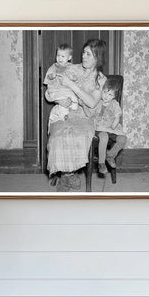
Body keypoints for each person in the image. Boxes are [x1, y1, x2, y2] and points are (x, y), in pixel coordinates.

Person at [47, 39, 107, 191]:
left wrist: (71, 85)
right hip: (64, 112)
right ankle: (68, 176)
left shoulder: (101, 79)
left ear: (97, 58)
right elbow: (49, 91)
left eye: (89, 54)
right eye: (84, 53)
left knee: (78, 136)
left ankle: (69, 175)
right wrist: (59, 100)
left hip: (85, 117)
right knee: (58, 136)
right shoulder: (70, 68)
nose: (84, 57)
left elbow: (92, 103)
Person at [86, 78, 127, 174]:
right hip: (99, 127)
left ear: (114, 96)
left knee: (123, 139)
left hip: (111, 127)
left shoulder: (114, 104)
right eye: (104, 92)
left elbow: (117, 116)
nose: (106, 96)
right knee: (104, 136)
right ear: (101, 91)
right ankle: (101, 163)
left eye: (110, 95)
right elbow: (90, 114)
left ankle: (110, 155)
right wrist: (84, 106)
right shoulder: (97, 102)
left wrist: (113, 126)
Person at [44, 43, 79, 126]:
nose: (60, 58)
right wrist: (51, 77)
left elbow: (76, 78)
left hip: (69, 92)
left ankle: (72, 116)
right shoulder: (54, 67)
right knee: (63, 108)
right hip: (58, 91)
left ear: (69, 57)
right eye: (58, 55)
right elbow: (48, 82)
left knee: (74, 103)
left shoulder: (72, 67)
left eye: (63, 56)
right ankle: (64, 118)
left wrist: (74, 77)